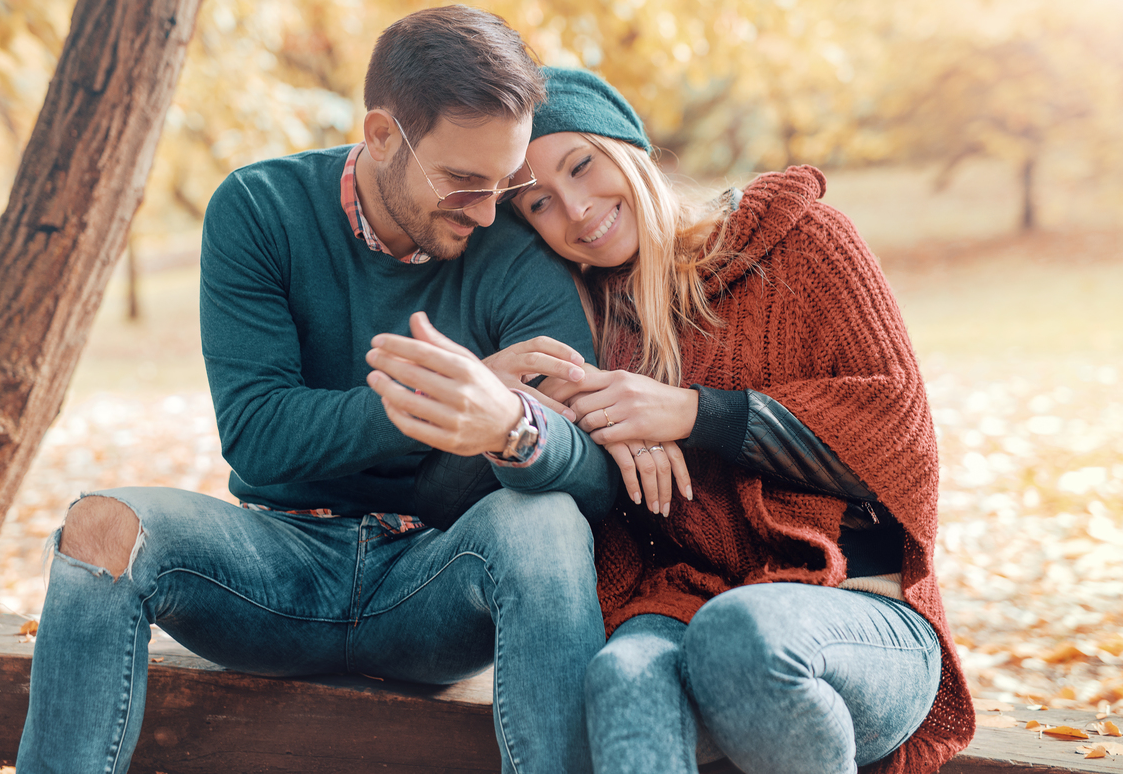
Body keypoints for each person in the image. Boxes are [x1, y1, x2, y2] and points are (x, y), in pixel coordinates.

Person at [16, 9, 617, 774]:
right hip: (272, 566)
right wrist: (441, 404)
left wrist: (509, 426)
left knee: (547, 524)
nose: (486, 209)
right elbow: (260, 431)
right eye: (463, 180)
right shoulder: (260, 210)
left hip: (435, 580)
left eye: (505, 183)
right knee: (100, 527)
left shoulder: (511, 246)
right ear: (379, 134)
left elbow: (591, 478)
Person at [368, 67, 975, 774]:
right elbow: (450, 498)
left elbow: (895, 441)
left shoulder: (801, 240)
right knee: (620, 677)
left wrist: (690, 412)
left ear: (626, 146)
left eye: (582, 165)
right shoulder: (589, 334)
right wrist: (520, 415)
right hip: (683, 606)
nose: (577, 208)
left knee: (741, 634)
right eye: (539, 204)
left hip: (859, 618)